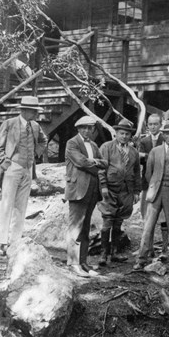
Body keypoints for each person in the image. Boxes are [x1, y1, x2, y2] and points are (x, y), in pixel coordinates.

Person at [0, 95, 47, 256]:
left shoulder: (35, 126)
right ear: (23, 110)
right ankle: (0, 242)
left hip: (28, 169)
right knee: (7, 205)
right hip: (13, 167)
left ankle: (14, 243)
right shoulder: (9, 124)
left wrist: (35, 154)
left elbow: (44, 141)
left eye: (36, 111)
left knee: (21, 207)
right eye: (33, 111)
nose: (35, 114)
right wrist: (6, 163)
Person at [134, 121, 169, 275]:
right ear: (163, 135)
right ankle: (141, 259)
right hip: (155, 192)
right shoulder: (155, 151)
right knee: (148, 226)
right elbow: (148, 173)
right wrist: (154, 185)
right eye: (167, 133)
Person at [64, 116, 107, 278]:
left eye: (90, 128)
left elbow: (105, 163)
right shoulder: (72, 143)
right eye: (84, 128)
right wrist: (96, 164)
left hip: (92, 190)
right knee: (75, 227)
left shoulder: (94, 145)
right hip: (77, 190)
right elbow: (81, 162)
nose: (87, 131)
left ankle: (83, 262)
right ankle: (73, 263)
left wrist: (94, 161)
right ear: (78, 128)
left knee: (85, 228)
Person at [97, 119, 141, 266]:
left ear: (130, 136)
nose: (124, 136)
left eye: (127, 134)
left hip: (125, 191)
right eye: (121, 133)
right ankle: (103, 253)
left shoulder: (134, 152)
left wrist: (136, 191)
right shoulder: (107, 147)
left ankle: (115, 253)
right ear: (115, 133)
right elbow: (101, 168)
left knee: (118, 222)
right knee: (107, 221)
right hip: (110, 189)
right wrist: (103, 186)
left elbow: (137, 172)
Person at [138, 113, 169, 258]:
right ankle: (148, 247)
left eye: (155, 124)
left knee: (164, 217)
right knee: (147, 215)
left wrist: (147, 156)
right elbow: (139, 158)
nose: (152, 127)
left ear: (161, 124)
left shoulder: (166, 139)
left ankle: (164, 248)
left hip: (163, 183)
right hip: (147, 183)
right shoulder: (144, 141)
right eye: (150, 124)